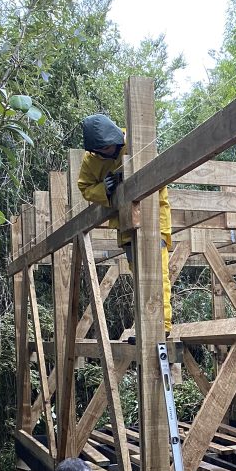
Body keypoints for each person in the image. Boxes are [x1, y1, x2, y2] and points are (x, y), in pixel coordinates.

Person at [77, 113, 173, 333]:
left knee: (158, 272)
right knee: (138, 275)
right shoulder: (91, 160)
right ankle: (145, 327)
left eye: (112, 148)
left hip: (154, 218)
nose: (109, 152)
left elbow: (157, 172)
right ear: (96, 151)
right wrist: (105, 189)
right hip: (125, 224)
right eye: (104, 151)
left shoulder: (135, 140)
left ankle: (162, 326)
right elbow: (85, 188)